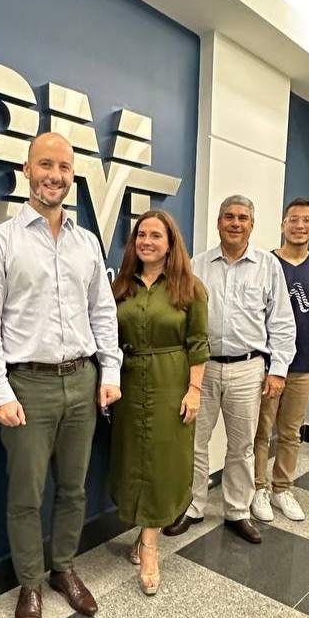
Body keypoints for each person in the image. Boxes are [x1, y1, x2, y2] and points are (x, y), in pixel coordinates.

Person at [0, 131, 122, 618]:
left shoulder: (86, 243)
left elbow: (102, 312)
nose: (55, 175)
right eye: (45, 164)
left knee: (75, 488)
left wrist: (110, 371)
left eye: (63, 167)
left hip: (82, 379)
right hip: (27, 386)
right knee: (26, 495)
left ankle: (64, 568)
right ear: (27, 170)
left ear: (72, 175)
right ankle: (30, 583)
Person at [164, 195, 296, 544]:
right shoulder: (198, 265)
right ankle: (193, 506)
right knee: (194, 442)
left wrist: (278, 369)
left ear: (252, 224)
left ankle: (237, 511)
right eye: (228, 217)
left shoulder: (268, 266)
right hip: (202, 368)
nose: (235, 223)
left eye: (242, 218)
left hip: (248, 368)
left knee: (242, 446)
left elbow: (282, 322)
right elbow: (183, 318)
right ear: (218, 222)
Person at [108, 210, 209, 595]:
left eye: (156, 236)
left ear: (170, 244)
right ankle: (142, 532)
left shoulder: (190, 287)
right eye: (141, 235)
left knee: (164, 463)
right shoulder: (121, 286)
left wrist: (194, 390)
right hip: (129, 383)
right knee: (133, 461)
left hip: (172, 381)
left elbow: (198, 343)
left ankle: (150, 545)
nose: (147, 242)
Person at [250, 198, 309, 523]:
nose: (300, 226)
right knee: (261, 430)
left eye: (307, 220)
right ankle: (258, 488)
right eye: (293, 220)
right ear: (282, 225)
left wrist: (297, 336)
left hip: (303, 363)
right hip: (266, 362)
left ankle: (281, 489)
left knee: (290, 432)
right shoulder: (265, 262)